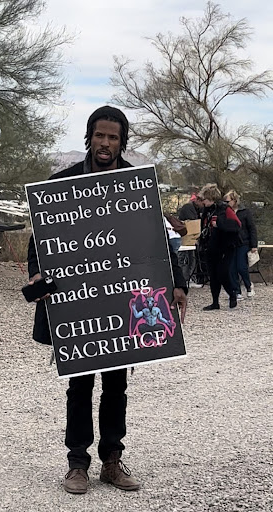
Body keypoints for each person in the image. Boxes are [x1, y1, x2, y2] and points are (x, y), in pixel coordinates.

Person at [27, 105, 188, 494]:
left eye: (113, 137)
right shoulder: (61, 184)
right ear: (89, 136)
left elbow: (159, 240)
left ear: (122, 141)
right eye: (99, 135)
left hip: (124, 302)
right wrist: (36, 272)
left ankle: (112, 461)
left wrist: (177, 282)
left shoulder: (135, 186)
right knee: (79, 386)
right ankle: (77, 464)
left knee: (117, 386)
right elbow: (41, 241)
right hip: (80, 304)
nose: (105, 143)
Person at [198, 183, 241, 311]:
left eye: (204, 199)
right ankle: (215, 302)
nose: (203, 202)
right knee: (213, 275)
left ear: (211, 198)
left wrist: (220, 224)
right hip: (211, 247)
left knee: (222, 272)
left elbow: (237, 225)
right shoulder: (206, 211)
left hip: (226, 247)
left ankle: (232, 294)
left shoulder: (224, 209)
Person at [223, 190, 258, 299]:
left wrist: (254, 245)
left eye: (228, 201)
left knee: (241, 267)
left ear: (234, 200)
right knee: (231, 268)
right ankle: (236, 290)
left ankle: (248, 286)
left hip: (244, 242)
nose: (226, 203)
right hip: (231, 243)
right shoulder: (226, 212)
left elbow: (252, 228)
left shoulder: (245, 212)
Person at [178, 194, 204, 287]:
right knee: (185, 259)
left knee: (191, 258)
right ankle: (184, 279)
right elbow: (193, 223)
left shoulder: (196, 209)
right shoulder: (189, 208)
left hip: (189, 237)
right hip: (186, 236)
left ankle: (189, 279)